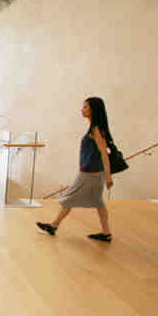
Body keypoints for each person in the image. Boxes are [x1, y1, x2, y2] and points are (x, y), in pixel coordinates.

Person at [36, 97, 114, 242]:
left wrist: (108, 177)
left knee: (69, 198)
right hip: (94, 173)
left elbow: (104, 153)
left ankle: (53, 225)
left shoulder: (96, 129)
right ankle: (106, 233)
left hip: (89, 174)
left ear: (93, 110)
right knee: (97, 202)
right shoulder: (95, 128)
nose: (82, 109)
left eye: (85, 107)